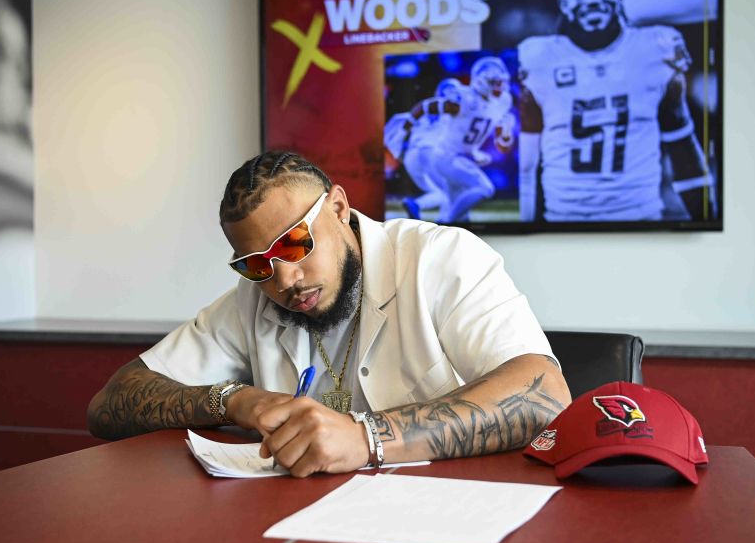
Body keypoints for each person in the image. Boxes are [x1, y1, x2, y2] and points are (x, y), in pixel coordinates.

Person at [87, 151, 570, 477]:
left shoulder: (439, 258)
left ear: (338, 207)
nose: (284, 280)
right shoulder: (253, 298)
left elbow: (545, 396)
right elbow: (111, 402)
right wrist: (233, 400)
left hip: (454, 514)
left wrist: (367, 438)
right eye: (256, 263)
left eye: (296, 243)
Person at [516, 0, 715, 222]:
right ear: (565, 4)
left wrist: (706, 219)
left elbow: (680, 140)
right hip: (563, 216)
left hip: (640, 218)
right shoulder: (537, 57)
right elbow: (531, 162)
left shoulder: (655, 48)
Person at [384, 57, 515, 223]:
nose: (499, 88)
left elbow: (502, 146)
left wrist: (505, 135)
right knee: (485, 188)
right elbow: (427, 107)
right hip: (446, 156)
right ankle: (443, 223)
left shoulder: (500, 103)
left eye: (501, 82)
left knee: (459, 211)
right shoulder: (464, 100)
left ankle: (445, 222)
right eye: (494, 82)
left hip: (449, 155)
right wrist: (408, 124)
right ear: (482, 81)